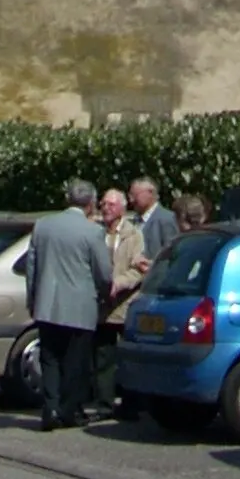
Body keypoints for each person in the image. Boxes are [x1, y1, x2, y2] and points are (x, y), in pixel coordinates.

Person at [27, 180, 110, 431]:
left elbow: (32, 267)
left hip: (47, 303)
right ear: (91, 204)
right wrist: (103, 293)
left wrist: (33, 299)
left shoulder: (43, 225)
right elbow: (104, 273)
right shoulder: (92, 231)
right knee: (76, 361)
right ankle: (67, 410)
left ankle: (50, 407)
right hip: (79, 305)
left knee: (50, 358)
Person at [95, 188, 146, 414]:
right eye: (103, 204)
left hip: (125, 303)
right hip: (101, 306)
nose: (106, 208)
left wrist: (120, 283)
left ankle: (131, 404)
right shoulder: (96, 232)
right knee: (103, 357)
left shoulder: (134, 235)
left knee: (128, 357)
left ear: (122, 208)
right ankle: (104, 403)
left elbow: (139, 268)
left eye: (111, 205)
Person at [129, 177, 178, 263]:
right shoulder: (133, 221)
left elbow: (171, 256)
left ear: (150, 193)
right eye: (130, 195)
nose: (131, 200)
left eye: (135, 195)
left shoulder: (167, 220)